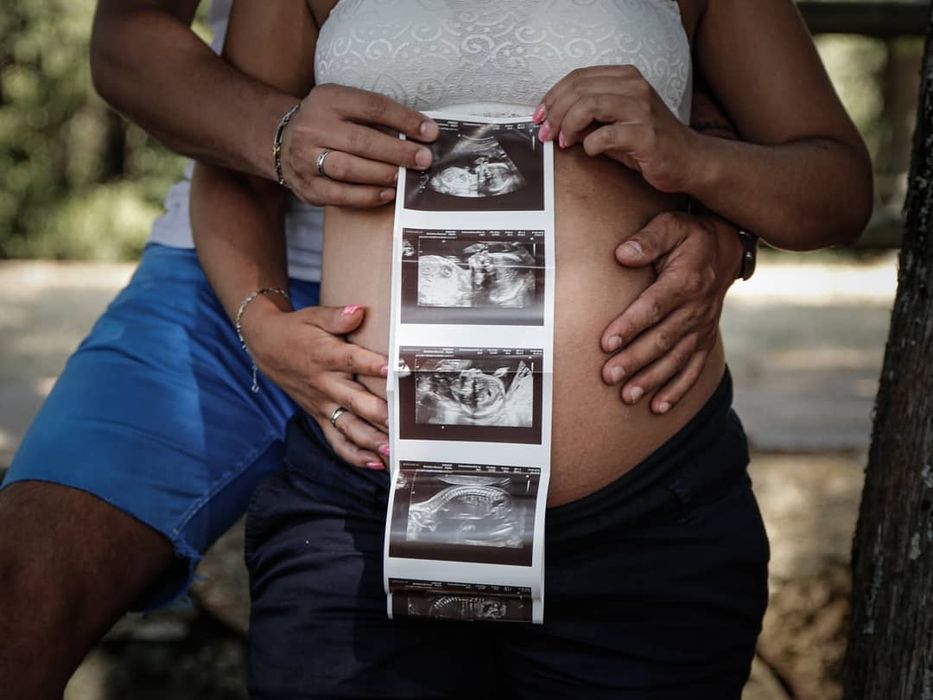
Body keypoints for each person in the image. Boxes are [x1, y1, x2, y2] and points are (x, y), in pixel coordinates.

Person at [0, 1, 750, 697]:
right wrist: (279, 138)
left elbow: (719, 98)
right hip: (236, 263)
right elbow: (128, 39)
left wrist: (726, 222)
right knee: (26, 578)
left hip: (578, 297)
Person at [191, 0, 872, 697]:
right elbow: (232, 161)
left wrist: (692, 157)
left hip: (640, 520)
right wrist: (263, 325)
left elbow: (837, 189)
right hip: (361, 504)